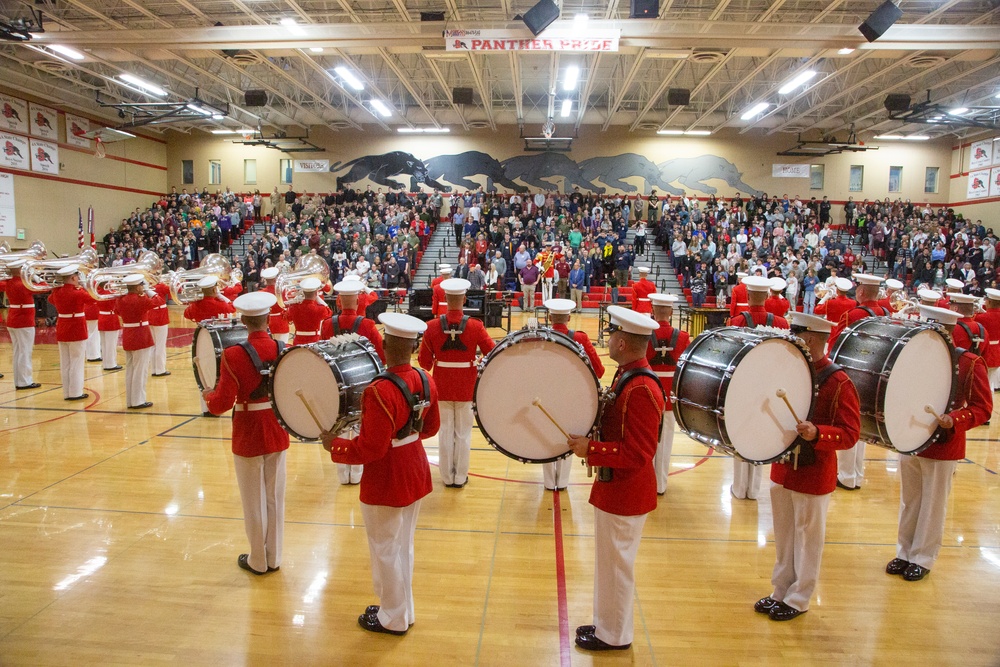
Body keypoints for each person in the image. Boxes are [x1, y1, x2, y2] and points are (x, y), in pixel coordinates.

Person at [322, 313, 440, 636]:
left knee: (385, 547)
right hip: (415, 467)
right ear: (414, 347)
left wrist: (336, 447)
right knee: (403, 545)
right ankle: (404, 608)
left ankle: (392, 615)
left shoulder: (378, 391)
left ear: (385, 345)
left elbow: (371, 450)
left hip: (388, 475)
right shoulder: (426, 379)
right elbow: (432, 427)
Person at [566, 306, 664, 652]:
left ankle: (616, 635)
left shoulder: (639, 387)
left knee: (618, 566)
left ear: (622, 343)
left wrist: (592, 449)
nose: (608, 339)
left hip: (626, 491)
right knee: (609, 564)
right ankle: (607, 624)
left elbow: (639, 453)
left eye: (612, 335)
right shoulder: (627, 375)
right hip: (615, 488)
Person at [755, 311, 860, 621]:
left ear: (812, 340)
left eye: (797, 336)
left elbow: (851, 434)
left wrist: (819, 433)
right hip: (784, 468)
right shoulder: (789, 373)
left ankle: (800, 597)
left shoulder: (839, 382)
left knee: (808, 538)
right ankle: (781, 589)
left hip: (814, 471)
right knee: (785, 534)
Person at [886, 305, 992, 581]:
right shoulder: (913, 357)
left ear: (949, 332)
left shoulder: (969, 362)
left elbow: (983, 407)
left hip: (944, 442)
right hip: (911, 437)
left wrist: (956, 419)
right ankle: (904, 551)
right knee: (910, 501)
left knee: (933, 504)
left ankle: (923, 557)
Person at [204, 291, 289, 576]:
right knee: (275, 497)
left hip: (248, 429)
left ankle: (257, 559)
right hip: (277, 425)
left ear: (242, 320)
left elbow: (221, 404)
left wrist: (207, 396)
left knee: (253, 500)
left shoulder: (232, 354)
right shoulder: (282, 348)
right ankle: (274, 556)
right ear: (267, 319)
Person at [418, 278, 495, 488]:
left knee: (444, 432)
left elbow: (424, 362)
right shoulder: (475, 326)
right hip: (466, 387)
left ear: (444, 298)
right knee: (463, 434)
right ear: (464, 299)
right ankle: (460, 477)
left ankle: (446, 476)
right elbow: (492, 352)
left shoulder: (431, 326)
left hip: (441, 386)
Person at [320, 279, 387, 485]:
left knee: (339, 424)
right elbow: (381, 355)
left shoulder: (327, 324)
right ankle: (356, 473)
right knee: (358, 425)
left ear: (338, 302)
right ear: (358, 301)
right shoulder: (367, 324)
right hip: (361, 381)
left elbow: (322, 352)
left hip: (335, 382)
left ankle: (343, 474)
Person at [728, 276, 789, 500]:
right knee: (761, 434)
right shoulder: (781, 323)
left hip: (742, 386)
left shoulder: (736, 322)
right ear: (765, 297)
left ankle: (739, 487)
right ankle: (754, 489)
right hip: (768, 386)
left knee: (739, 432)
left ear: (749, 296)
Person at [541, 298, 605, 491]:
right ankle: (562, 482)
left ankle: (549, 481)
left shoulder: (540, 337)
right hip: (572, 397)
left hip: (546, 393)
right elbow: (599, 371)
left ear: (550, 317)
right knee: (568, 435)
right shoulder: (581, 338)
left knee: (546, 433)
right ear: (569, 317)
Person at [836, 274, 889, 491]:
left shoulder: (853, 315)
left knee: (848, 422)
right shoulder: (886, 313)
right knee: (863, 426)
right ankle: (857, 473)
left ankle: (847, 475)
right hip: (876, 379)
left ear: (860, 292)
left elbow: (835, 344)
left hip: (854, 375)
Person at [646, 293, 690, 495]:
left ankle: (646, 482)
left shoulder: (645, 334)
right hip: (670, 398)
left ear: (652, 312)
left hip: (648, 395)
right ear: (671, 312)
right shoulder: (682, 337)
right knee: (666, 443)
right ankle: (660, 485)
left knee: (647, 442)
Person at [183, 275, 237, 417]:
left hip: (199, 339)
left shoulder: (196, 305)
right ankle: (213, 405)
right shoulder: (219, 304)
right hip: (216, 340)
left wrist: (195, 301)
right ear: (214, 289)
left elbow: (186, 314)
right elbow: (232, 308)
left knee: (201, 373)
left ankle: (204, 408)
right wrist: (221, 297)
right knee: (215, 374)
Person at [47, 264, 94, 401]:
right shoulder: (78, 292)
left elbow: (50, 300)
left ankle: (67, 392)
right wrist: (86, 286)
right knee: (76, 362)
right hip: (76, 328)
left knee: (65, 363)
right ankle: (75, 392)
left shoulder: (57, 292)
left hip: (62, 327)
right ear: (73, 277)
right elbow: (93, 299)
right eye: (78, 277)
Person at [114, 274, 156, 409]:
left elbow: (117, 311)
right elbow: (158, 302)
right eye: (142, 286)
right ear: (138, 287)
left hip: (128, 334)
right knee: (140, 370)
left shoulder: (120, 299)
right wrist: (150, 292)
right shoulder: (141, 300)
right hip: (141, 336)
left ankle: (130, 400)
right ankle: (138, 400)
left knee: (130, 370)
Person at [0, 259, 41, 389]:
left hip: (14, 319)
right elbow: (42, 288)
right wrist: (36, 277)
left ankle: (19, 380)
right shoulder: (23, 283)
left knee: (18, 351)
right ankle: (24, 381)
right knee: (25, 351)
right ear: (19, 270)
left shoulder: (9, 282)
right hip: (24, 321)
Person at [287, 277, 332, 345]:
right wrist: (317, 298)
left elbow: (288, 318)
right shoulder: (320, 309)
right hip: (314, 341)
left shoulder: (293, 308)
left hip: (298, 341)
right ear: (316, 293)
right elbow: (329, 312)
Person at [948, 292, 989, 357]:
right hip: (975, 365)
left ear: (955, 309)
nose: (948, 309)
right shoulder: (982, 329)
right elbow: (985, 355)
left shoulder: (952, 328)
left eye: (950, 307)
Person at [974, 288, 1000, 390]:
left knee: (983, 386)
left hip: (985, 353)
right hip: (997, 353)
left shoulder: (981, 318)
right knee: (990, 384)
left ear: (989, 301)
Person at [258, 267, 290, 344]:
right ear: (275, 279)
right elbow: (288, 305)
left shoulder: (261, 293)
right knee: (282, 347)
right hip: (281, 322)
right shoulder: (283, 291)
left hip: (266, 322)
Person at [148, 279, 171, 377]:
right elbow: (174, 290)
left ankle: (154, 369)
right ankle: (160, 369)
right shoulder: (160, 286)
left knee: (153, 346)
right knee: (160, 345)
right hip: (160, 317)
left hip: (150, 315)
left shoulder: (147, 287)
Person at [97, 287, 123, 372]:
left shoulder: (98, 292)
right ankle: (111, 364)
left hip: (102, 317)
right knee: (111, 344)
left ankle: (106, 363)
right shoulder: (111, 293)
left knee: (104, 344)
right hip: (111, 318)